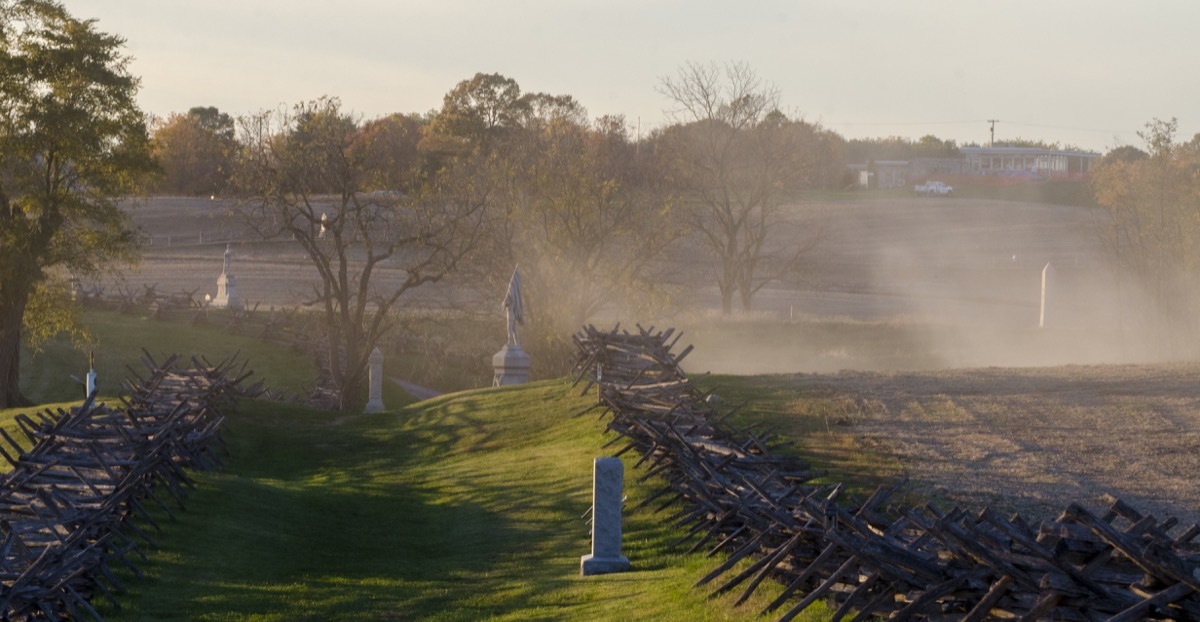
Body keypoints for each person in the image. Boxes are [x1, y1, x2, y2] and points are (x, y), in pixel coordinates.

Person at [503, 267, 524, 346]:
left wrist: (505, 302)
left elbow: (509, 299)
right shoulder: (512, 295)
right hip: (511, 314)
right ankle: (517, 342)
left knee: (509, 328)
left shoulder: (511, 296)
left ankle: (510, 341)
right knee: (514, 329)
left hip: (511, 314)